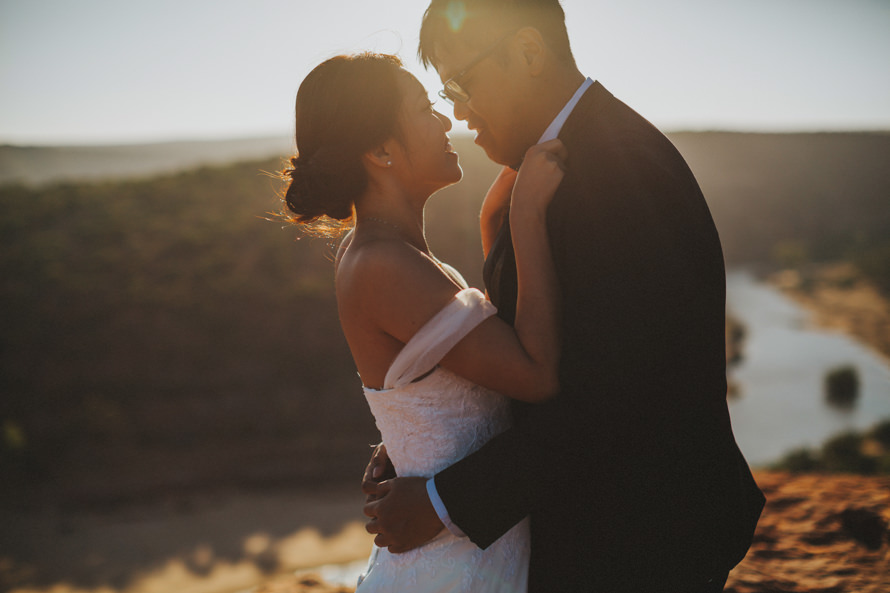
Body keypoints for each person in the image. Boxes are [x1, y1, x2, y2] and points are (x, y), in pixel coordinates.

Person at [361, 1, 766, 592]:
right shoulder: (565, 160)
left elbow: (613, 395)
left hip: (640, 542)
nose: (457, 109)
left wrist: (443, 501)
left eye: (462, 82)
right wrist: (422, 442)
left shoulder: (616, 173)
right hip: (606, 528)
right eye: (445, 90)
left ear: (528, 52)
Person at [281, 52, 569, 591]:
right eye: (423, 108)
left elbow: (432, 386)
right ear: (380, 150)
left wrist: (404, 441)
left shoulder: (385, 252)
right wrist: (525, 218)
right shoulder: (383, 264)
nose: (445, 120)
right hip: (453, 570)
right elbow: (536, 375)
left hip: (474, 551)